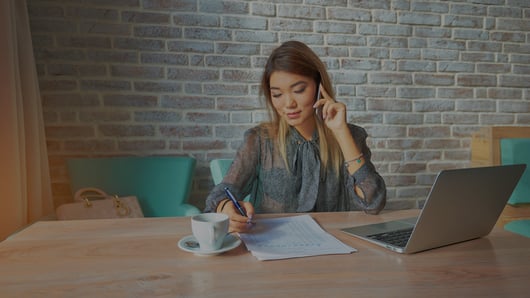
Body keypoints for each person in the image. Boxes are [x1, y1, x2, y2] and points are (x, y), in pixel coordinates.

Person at [205, 40, 386, 232]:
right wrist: (226, 208)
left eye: (299, 90)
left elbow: (373, 204)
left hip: (333, 249)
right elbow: (219, 195)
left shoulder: (350, 136)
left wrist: (341, 132)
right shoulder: (259, 139)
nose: (288, 103)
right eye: (277, 94)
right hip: (271, 246)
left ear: (318, 87)